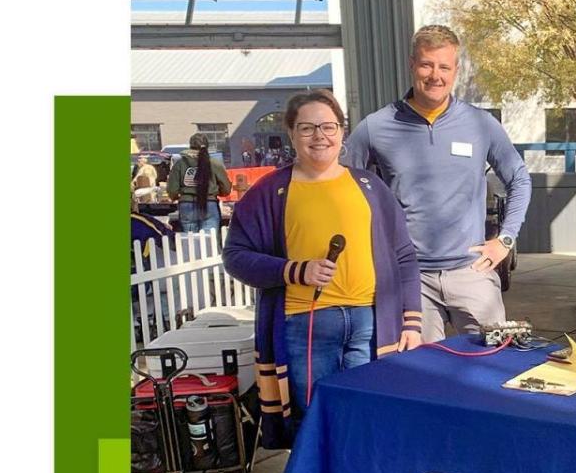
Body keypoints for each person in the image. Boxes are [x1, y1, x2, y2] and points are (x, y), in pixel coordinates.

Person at [223, 89, 423, 446]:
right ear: (291, 133)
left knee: (367, 415)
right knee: (314, 422)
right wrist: (294, 271)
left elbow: (404, 255)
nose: (320, 136)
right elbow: (236, 256)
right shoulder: (270, 192)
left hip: (370, 323)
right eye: (307, 128)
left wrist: (411, 319)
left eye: (329, 126)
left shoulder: (369, 186)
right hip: (305, 325)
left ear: (342, 131)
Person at [344, 24, 531, 343]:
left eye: (444, 66)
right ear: (412, 65)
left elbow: (519, 178)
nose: (435, 75)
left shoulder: (479, 124)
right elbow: (341, 187)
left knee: (491, 366)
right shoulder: (376, 128)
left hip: (472, 273)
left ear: (456, 70)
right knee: (422, 375)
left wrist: (506, 240)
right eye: (426, 64)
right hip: (410, 280)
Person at [167, 133, 231, 233]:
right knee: (209, 242)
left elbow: (172, 190)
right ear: (207, 146)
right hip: (209, 203)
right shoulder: (214, 163)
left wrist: (177, 196)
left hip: (186, 205)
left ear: (190, 145)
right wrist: (215, 192)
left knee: (190, 241)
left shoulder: (179, 164)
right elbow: (226, 189)